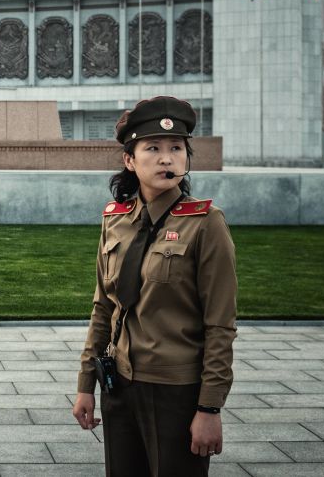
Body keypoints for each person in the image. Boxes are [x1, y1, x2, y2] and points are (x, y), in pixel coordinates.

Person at [72, 96, 237, 477]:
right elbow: (103, 308)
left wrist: (209, 408)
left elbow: (220, 325)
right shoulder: (115, 220)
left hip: (175, 391)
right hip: (120, 385)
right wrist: (86, 384)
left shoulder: (206, 224)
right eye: (154, 149)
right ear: (130, 160)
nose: (167, 159)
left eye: (176, 148)